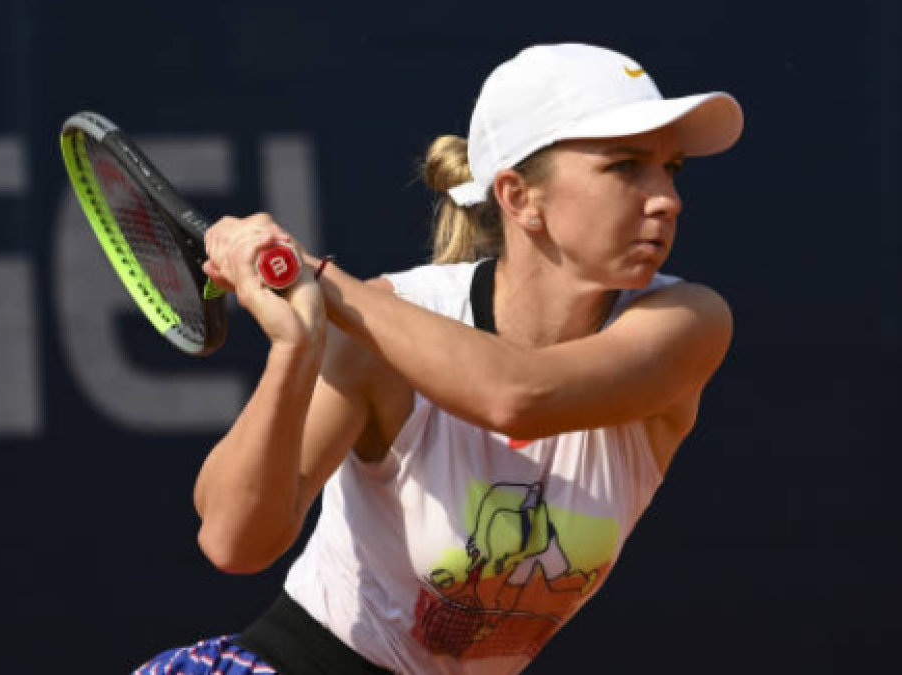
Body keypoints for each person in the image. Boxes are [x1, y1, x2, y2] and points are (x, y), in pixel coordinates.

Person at [134, 42, 742, 675]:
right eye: (625, 167)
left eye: (671, 168)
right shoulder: (386, 327)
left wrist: (321, 278)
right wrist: (295, 347)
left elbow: (518, 397)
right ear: (518, 196)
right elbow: (233, 540)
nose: (665, 198)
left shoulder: (687, 324)